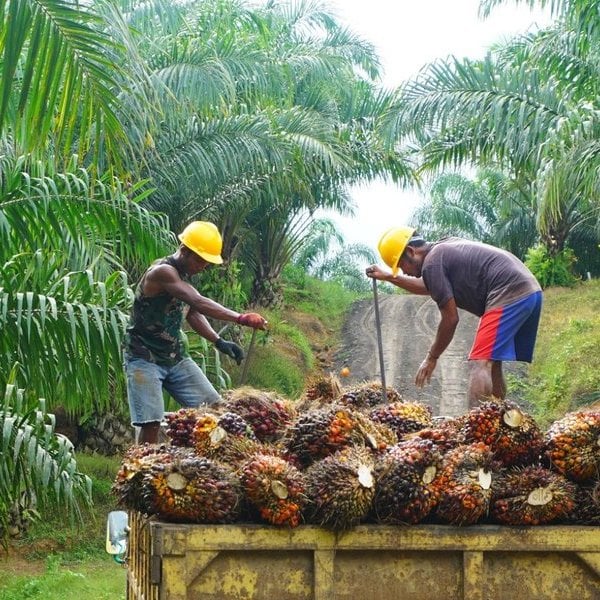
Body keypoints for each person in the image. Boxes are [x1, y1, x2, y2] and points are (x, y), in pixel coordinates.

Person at [124, 220, 268, 443]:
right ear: (184, 251)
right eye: (201, 260)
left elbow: (191, 312)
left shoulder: (183, 277)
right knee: (151, 422)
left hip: (175, 357)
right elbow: (197, 301)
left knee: (214, 409)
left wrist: (219, 341)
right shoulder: (163, 272)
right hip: (144, 358)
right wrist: (240, 318)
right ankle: (141, 469)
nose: (204, 267)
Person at [366, 227, 542, 408]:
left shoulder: (432, 263)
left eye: (402, 266)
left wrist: (432, 358)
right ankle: (500, 421)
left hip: (509, 293)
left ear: (411, 251)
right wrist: (389, 277)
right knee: (492, 362)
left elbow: (450, 319)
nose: (403, 272)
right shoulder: (441, 249)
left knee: (479, 363)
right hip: (530, 291)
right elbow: (429, 286)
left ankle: (476, 430)